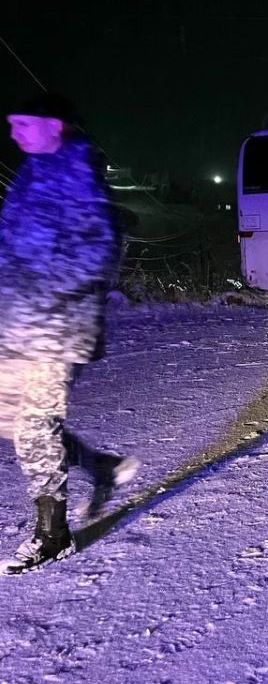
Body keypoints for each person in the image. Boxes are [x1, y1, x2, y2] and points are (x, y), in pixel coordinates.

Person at [0, 94, 138, 574]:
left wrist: (44, 292)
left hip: (54, 327)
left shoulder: (75, 172)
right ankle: (100, 467)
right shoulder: (32, 172)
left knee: (31, 427)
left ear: (55, 125)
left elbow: (98, 251)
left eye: (23, 121)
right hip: (20, 321)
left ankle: (53, 536)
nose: (14, 130)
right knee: (13, 421)